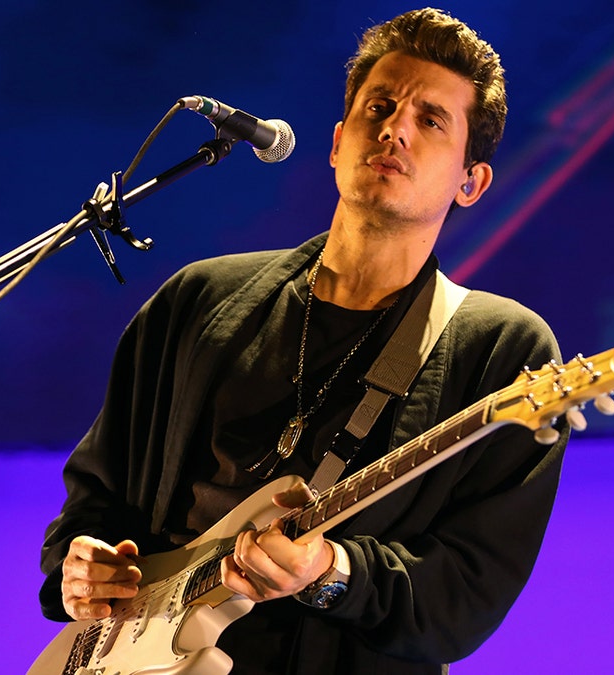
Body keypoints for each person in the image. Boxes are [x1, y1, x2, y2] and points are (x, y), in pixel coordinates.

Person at [39, 8, 570, 674]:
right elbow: (95, 494)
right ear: (339, 139)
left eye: (430, 120)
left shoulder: (502, 349)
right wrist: (79, 564)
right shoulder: (196, 299)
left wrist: (331, 570)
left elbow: (463, 597)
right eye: (380, 106)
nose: (394, 127)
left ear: (472, 181)